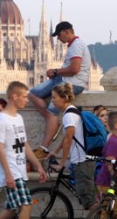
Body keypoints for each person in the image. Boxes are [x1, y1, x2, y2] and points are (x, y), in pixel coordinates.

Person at [0, 81, 47, 219]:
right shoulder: (2, 119)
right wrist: (8, 174)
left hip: (18, 169)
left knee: (11, 209)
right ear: (14, 96)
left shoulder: (18, 118)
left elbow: (24, 144)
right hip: (10, 170)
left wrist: (38, 165)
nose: (27, 100)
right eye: (24, 97)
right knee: (25, 205)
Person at [28, 21, 91, 159]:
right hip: (62, 80)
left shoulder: (76, 46)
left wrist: (56, 71)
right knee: (33, 94)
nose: (58, 39)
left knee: (52, 112)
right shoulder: (74, 45)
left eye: (59, 35)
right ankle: (52, 121)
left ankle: (44, 148)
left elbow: (74, 69)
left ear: (66, 32)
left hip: (71, 84)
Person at [48, 83, 97, 210]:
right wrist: (56, 151)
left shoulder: (68, 115)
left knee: (89, 200)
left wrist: (61, 163)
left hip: (82, 162)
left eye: (54, 97)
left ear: (63, 98)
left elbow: (68, 140)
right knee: (89, 197)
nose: (52, 100)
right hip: (83, 160)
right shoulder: (72, 111)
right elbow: (68, 136)